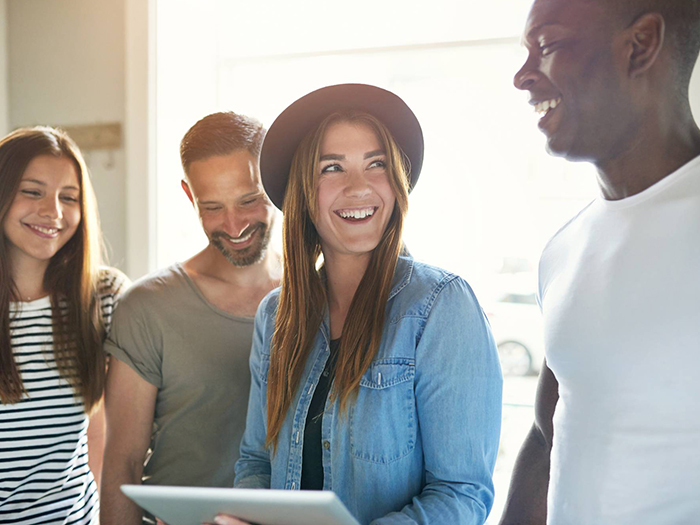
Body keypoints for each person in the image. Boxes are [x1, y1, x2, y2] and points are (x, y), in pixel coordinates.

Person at [217, 84, 502, 525]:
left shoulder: (441, 306)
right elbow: (257, 463)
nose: (359, 187)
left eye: (377, 164)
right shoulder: (275, 316)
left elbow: (462, 494)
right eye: (332, 168)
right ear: (303, 193)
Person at [500, 1, 700, 524]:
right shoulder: (563, 249)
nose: (522, 76)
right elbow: (549, 438)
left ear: (641, 46)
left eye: (546, 46)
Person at [100, 112, 281, 524]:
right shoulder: (146, 307)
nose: (233, 225)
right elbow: (122, 464)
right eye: (212, 207)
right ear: (189, 196)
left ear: (275, 180)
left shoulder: (318, 295)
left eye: (248, 200)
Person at [0, 126, 128, 524]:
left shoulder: (104, 296)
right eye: (32, 191)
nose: (53, 211)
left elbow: (105, 432)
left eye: (68, 198)